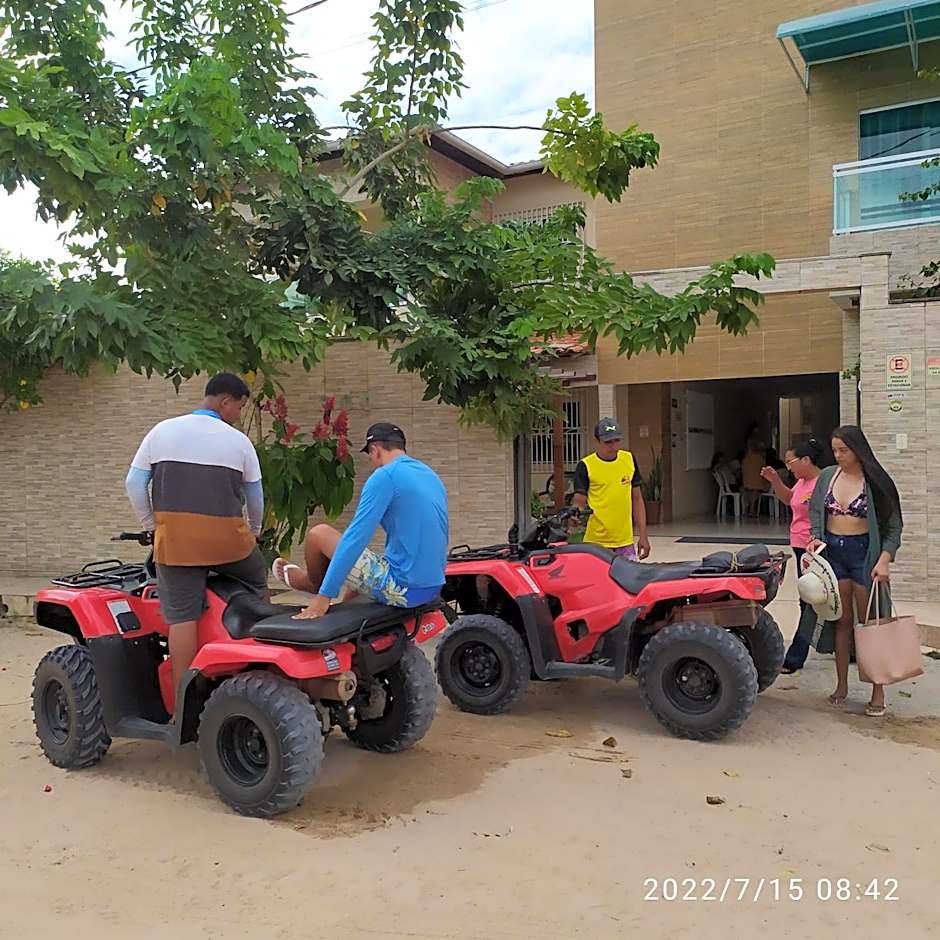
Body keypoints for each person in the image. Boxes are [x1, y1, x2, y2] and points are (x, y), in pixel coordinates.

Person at [125, 373, 266, 698]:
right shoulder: (239, 442)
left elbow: (134, 484)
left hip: (177, 547)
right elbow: (255, 499)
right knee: (258, 581)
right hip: (231, 547)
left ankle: (183, 699)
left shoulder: (162, 431)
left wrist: (152, 526)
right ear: (224, 401)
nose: (238, 415)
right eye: (239, 408)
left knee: (181, 617)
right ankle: (260, 664)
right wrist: (254, 533)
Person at [274, 422, 449, 621]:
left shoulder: (385, 476)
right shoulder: (429, 475)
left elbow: (355, 538)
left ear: (375, 450)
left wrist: (325, 596)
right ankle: (343, 613)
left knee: (319, 534)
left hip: (404, 589)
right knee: (359, 569)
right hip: (433, 585)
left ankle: (312, 585)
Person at [806, 426, 903, 717]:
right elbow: (815, 513)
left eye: (843, 450)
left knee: (870, 621)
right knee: (840, 619)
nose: (838, 455)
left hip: (865, 553)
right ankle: (841, 685)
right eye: (834, 450)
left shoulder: (875, 481)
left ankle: (878, 690)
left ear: (858, 449)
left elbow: (893, 526)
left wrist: (885, 558)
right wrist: (814, 538)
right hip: (833, 552)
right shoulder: (827, 477)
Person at [760, 440, 823, 673]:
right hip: (799, 548)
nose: (789, 467)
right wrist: (775, 480)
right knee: (808, 599)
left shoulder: (823, 483)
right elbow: (789, 499)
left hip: (815, 550)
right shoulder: (802, 482)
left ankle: (796, 656)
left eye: (790, 462)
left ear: (806, 460)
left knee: (809, 601)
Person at [571, 418, 651, 560]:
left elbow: (637, 499)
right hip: (596, 544)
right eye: (608, 442)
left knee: (627, 581)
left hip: (625, 543)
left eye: (616, 441)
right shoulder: (586, 465)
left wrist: (643, 536)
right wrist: (573, 519)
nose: (614, 446)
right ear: (596, 441)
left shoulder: (629, 459)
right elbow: (579, 503)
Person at [741, 436, 769, 517]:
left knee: (748, 490)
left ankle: (747, 508)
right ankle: (752, 509)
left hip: (747, 481)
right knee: (755, 490)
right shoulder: (760, 459)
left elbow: (743, 469)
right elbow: (763, 468)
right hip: (758, 481)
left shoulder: (746, 459)